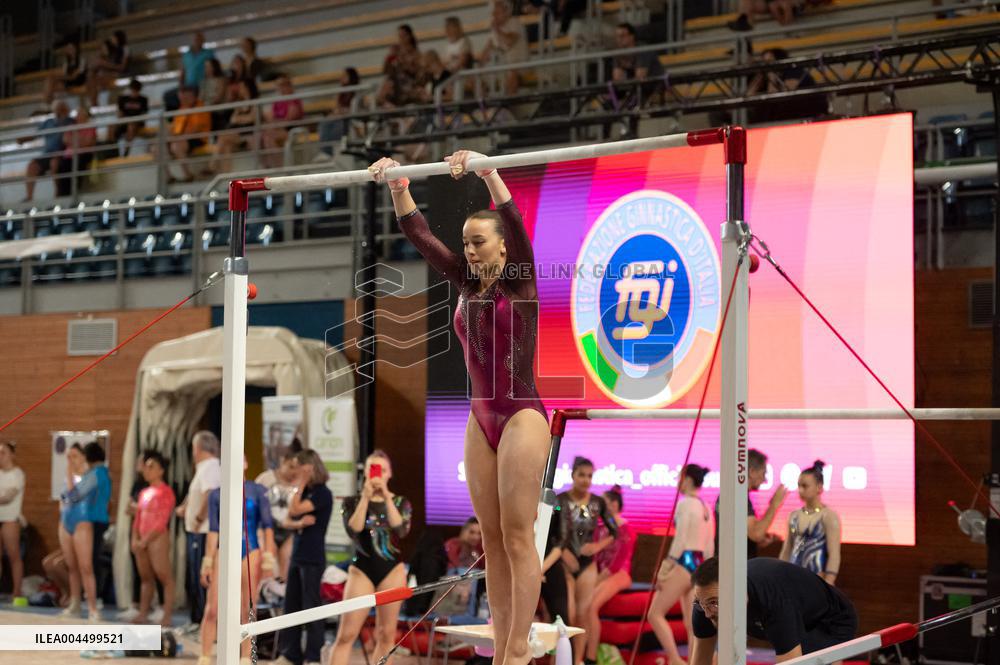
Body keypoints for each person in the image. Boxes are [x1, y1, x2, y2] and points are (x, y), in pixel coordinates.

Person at [371, 148, 551, 665]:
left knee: (517, 535)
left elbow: (513, 219)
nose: (468, 251)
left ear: (501, 246)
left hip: (521, 414)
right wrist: (398, 182)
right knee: (491, 541)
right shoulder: (463, 282)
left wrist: (488, 170)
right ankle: (502, 645)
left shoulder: (521, 281)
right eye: (466, 243)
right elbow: (420, 236)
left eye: (478, 242)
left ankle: (518, 648)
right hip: (481, 418)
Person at [328, 451, 413, 665]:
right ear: (365, 471)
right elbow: (354, 529)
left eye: (382, 470)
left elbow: (401, 529)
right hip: (361, 571)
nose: (377, 474)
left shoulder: (401, 502)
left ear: (389, 473)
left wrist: (385, 496)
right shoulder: (351, 501)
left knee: (386, 635)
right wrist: (365, 497)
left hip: (391, 571)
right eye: (373, 468)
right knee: (346, 634)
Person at [689, 557, 857, 663]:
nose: (708, 613)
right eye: (702, 604)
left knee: (810, 658)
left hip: (830, 620)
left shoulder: (774, 601)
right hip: (784, 606)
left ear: (738, 592)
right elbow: (700, 662)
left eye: (714, 603)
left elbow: (791, 662)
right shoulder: (704, 603)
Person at [201, 457, 276, 665]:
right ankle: (205, 656)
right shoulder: (216, 494)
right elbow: (214, 530)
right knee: (213, 607)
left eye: (238, 460)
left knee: (248, 607)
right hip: (223, 551)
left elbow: (268, 525)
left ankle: (245, 656)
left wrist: (269, 558)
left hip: (250, 550)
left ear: (245, 464)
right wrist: (207, 561)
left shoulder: (258, 490)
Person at [648, 465, 715, 665]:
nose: (677, 481)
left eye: (679, 477)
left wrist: (665, 567)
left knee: (654, 614)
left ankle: (676, 660)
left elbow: (681, 539)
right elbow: (710, 542)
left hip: (684, 561)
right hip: (700, 564)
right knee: (692, 624)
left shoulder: (685, 504)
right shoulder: (706, 507)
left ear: (686, 479)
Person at [273, 450, 333, 665]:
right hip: (297, 556)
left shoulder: (322, 493)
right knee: (291, 606)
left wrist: (302, 482)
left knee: (311, 607)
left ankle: (313, 655)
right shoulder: (304, 491)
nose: (295, 471)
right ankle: (290, 653)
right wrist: (298, 523)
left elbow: (295, 508)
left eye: (298, 467)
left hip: (313, 557)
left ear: (309, 468)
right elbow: (288, 517)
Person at [558, 457, 618, 665]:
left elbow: (614, 531)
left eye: (590, 476)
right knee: (569, 614)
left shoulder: (598, 503)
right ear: (572, 475)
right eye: (581, 475)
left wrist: (597, 546)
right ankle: (562, 659)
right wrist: (562, 552)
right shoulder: (560, 502)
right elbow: (549, 531)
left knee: (583, 615)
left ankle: (578, 660)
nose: (585, 480)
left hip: (587, 565)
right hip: (564, 564)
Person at [59, 442, 111, 620]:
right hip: (66, 520)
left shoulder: (93, 474)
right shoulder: (72, 477)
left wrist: (69, 478)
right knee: (71, 566)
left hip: (84, 519)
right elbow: (64, 496)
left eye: (75, 456)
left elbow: (73, 496)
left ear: (84, 457)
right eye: (68, 457)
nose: (71, 460)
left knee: (86, 566)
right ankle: (74, 603)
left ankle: (93, 607)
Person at [175, 431, 221, 631]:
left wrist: (199, 517)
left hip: (203, 531)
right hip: (196, 529)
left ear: (199, 448)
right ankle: (197, 620)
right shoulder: (203, 468)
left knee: (202, 578)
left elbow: (210, 494)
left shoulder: (211, 467)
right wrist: (185, 508)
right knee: (193, 577)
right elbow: (195, 492)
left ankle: (204, 622)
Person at [585, 485, 635, 665]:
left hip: (620, 574)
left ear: (614, 505)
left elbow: (617, 562)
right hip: (602, 574)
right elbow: (596, 557)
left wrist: (595, 581)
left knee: (591, 607)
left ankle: (590, 657)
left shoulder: (625, 529)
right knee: (585, 604)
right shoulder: (601, 528)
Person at [714, 448, 785, 559]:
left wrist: (761, 539)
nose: (765, 480)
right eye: (763, 473)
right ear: (751, 472)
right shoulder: (738, 497)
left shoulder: (732, 494)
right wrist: (775, 504)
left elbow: (746, 534)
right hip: (736, 569)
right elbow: (756, 533)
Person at [132, 451, 176, 627]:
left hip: (157, 538)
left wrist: (146, 540)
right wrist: (135, 537)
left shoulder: (166, 492)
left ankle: (167, 615)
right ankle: (143, 612)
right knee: (145, 577)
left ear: (161, 471)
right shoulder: (144, 493)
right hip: (143, 536)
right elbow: (138, 517)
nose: (147, 470)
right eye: (146, 467)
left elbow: (162, 519)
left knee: (164, 576)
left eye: (152, 467)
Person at [780, 461, 841, 585]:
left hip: (817, 578)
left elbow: (834, 553)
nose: (800, 490)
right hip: (793, 576)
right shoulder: (794, 516)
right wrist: (779, 574)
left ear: (819, 487)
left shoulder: (828, 516)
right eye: (799, 485)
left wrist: (829, 581)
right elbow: (787, 548)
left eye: (805, 486)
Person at [261, 449, 301, 580]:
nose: (293, 472)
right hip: (267, 530)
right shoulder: (266, 479)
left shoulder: (301, 483)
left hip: (289, 531)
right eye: (291, 467)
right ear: (283, 462)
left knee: (286, 572)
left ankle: (282, 597)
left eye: (297, 469)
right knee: (268, 570)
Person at [22, 100, 73, 201]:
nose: (60, 111)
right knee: (32, 166)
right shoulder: (48, 122)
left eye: (62, 109)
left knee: (54, 164)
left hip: (61, 153)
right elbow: (35, 135)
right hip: (47, 154)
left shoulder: (70, 122)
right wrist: (23, 140)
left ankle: (58, 193)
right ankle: (29, 196)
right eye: (58, 109)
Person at [478, 0, 529, 95]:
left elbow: (509, 41)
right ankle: (484, 106)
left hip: (519, 63)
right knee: (478, 77)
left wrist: (497, 30)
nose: (494, 16)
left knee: (512, 73)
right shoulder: (495, 30)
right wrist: (479, 67)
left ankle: (509, 106)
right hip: (503, 65)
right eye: (493, 14)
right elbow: (487, 50)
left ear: (506, 12)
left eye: (497, 13)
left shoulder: (514, 22)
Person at [166, 85, 212, 182]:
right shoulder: (181, 109)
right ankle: (169, 177)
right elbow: (175, 129)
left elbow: (195, 129)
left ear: (193, 96)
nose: (184, 98)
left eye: (186, 95)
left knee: (176, 146)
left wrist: (177, 137)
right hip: (180, 139)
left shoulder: (200, 107)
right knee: (157, 148)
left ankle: (188, 175)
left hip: (197, 138)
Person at [211, 79, 257, 174]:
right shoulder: (240, 103)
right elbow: (233, 119)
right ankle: (227, 177)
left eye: (242, 87)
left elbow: (252, 118)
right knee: (226, 147)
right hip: (236, 134)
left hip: (247, 134)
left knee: (222, 137)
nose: (240, 90)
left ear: (247, 88)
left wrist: (240, 118)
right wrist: (242, 118)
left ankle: (213, 164)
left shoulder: (255, 102)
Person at [0, 441, 25, 602]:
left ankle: (17, 591)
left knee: (14, 556)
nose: (0, 456)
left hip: (10, 519)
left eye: (3, 452)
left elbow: (8, 497)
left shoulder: (17, 474)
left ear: (12, 455)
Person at [261, 73, 304, 168]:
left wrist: (276, 123)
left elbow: (289, 120)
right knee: (263, 136)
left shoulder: (294, 100)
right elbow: (270, 118)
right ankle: (269, 166)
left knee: (269, 137)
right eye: (278, 86)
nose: (280, 88)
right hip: (279, 129)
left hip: (291, 130)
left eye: (282, 85)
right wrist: (274, 123)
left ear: (288, 85)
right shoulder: (277, 102)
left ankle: (279, 167)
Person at [317, 68, 360, 158]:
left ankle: (333, 153)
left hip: (350, 120)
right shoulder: (340, 93)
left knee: (339, 126)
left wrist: (343, 112)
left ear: (351, 77)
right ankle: (325, 152)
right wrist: (337, 113)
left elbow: (356, 111)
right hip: (340, 117)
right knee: (325, 122)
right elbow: (336, 108)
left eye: (344, 76)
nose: (341, 78)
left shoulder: (358, 92)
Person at [60, 104, 98, 196]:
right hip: (70, 155)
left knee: (78, 165)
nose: (78, 115)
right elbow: (65, 140)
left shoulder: (90, 127)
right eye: (78, 113)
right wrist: (80, 140)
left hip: (84, 154)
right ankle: (64, 194)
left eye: (80, 113)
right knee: (62, 167)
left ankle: (75, 191)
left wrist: (74, 141)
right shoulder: (71, 127)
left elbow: (88, 142)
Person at [113, 79, 149, 153]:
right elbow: (119, 114)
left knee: (131, 126)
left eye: (136, 91)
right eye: (133, 90)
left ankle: (127, 150)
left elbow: (143, 115)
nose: (135, 93)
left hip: (137, 122)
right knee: (111, 127)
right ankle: (112, 151)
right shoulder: (123, 99)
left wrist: (133, 120)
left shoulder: (143, 100)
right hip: (125, 121)